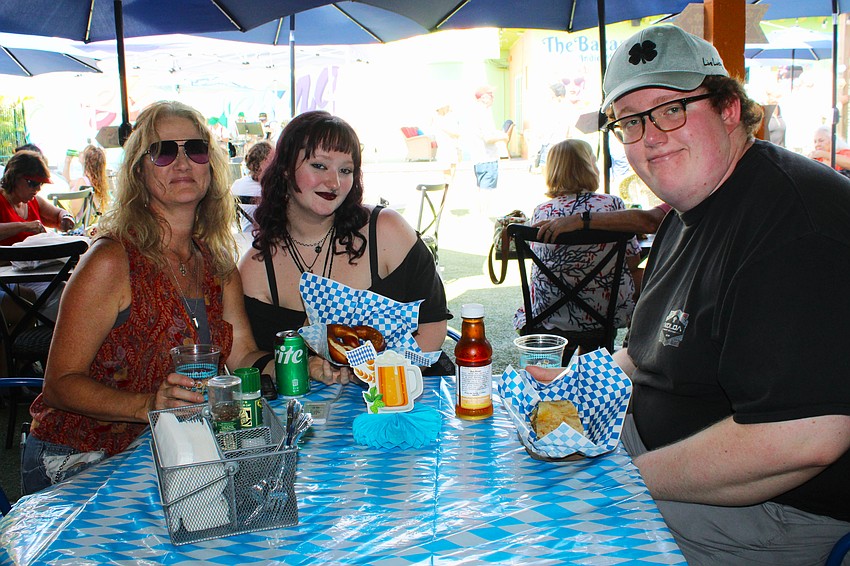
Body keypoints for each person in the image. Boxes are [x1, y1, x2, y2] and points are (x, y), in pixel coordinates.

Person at [530, 25, 850, 564]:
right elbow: (646, 352)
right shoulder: (690, 207)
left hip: (775, 509)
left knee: (543, 532)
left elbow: (804, 440)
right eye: (630, 121)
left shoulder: (798, 225)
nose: (651, 135)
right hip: (658, 447)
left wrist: (617, 478)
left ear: (729, 108)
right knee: (509, 461)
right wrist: (572, 382)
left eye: (671, 109)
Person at [22, 100, 275, 495]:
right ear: (139, 170)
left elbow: (241, 356)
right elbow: (58, 384)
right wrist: (148, 407)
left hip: (174, 452)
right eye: (162, 151)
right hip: (81, 456)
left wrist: (300, 365)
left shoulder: (218, 264)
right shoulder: (111, 260)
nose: (181, 162)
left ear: (210, 165)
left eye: (194, 148)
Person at [239, 110, 450, 384]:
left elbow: (433, 325)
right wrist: (306, 368)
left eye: (345, 170)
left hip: (411, 395)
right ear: (285, 169)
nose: (334, 182)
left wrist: (380, 380)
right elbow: (248, 358)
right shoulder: (257, 267)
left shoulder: (386, 231)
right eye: (319, 165)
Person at [513, 139, 641, 362]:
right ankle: (593, 359)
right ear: (589, 165)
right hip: (603, 313)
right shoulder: (612, 206)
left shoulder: (543, 211)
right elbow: (631, 262)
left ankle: (567, 363)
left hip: (549, 313)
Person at [0, 150, 76, 244]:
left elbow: (58, 214)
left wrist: (66, 217)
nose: (38, 188)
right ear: (14, 178)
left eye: (41, 184)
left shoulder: (34, 201)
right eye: (33, 183)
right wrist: (25, 226)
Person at [468, 85, 508, 192]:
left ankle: (482, 210)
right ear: (484, 98)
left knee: (481, 189)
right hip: (487, 159)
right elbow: (488, 138)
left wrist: (497, 133)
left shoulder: (476, 112)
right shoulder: (483, 113)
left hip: (479, 159)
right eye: (491, 95)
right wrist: (502, 137)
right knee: (487, 192)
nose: (493, 98)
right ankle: (485, 210)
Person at [230, 140, 272, 232]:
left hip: (244, 235)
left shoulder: (237, 184)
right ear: (266, 161)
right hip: (269, 237)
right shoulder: (272, 188)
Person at [62, 144, 110, 214]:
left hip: (79, 224)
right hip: (91, 223)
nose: (80, 153)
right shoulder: (95, 181)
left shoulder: (83, 182)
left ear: (87, 160)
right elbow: (68, 182)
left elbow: (73, 211)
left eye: (83, 152)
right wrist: (67, 162)